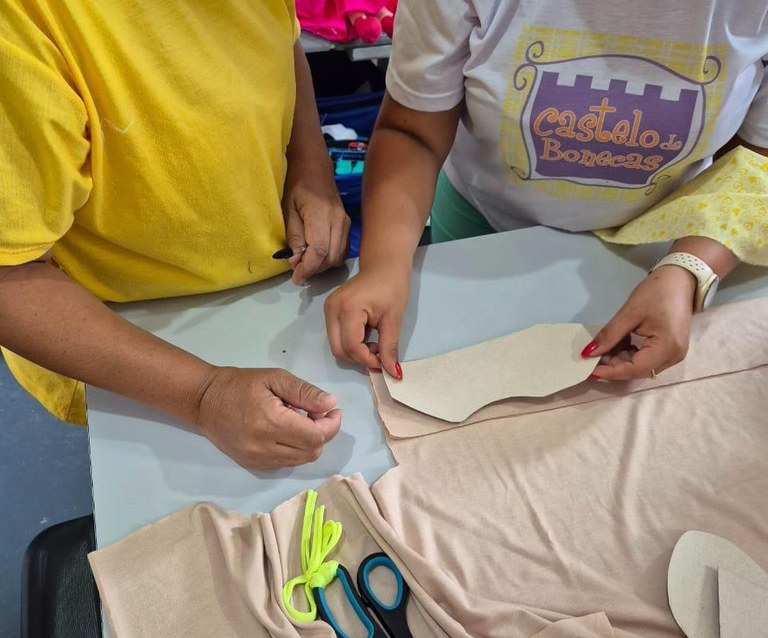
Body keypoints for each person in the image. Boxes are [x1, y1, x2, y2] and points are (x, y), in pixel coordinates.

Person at [325, 0, 768, 381]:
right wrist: (383, 266)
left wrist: (688, 267)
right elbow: (413, 132)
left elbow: (756, 159)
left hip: (662, 242)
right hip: (482, 228)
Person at [0, 0, 351, 469]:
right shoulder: (25, 26)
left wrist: (311, 167)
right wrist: (202, 395)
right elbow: (10, 275)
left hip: (272, 294)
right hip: (125, 343)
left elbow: (281, 45)